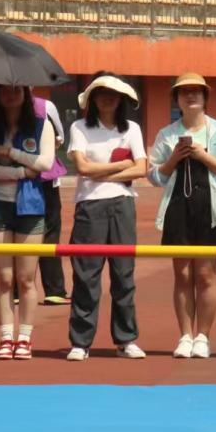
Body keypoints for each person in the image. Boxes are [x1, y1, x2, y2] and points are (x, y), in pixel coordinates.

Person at [148, 74, 216, 359]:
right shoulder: (167, 134)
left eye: (196, 92)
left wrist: (202, 155)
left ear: (205, 97)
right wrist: (174, 158)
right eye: (184, 92)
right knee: (183, 274)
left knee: (205, 275)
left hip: (212, 210)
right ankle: (185, 335)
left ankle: (203, 337)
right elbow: (154, 176)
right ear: (176, 99)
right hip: (178, 209)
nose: (190, 97)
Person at [65, 73, 148, 361]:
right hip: (90, 206)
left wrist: (102, 172)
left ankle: (126, 340)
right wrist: (123, 165)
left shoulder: (132, 129)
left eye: (113, 93)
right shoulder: (79, 127)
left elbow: (141, 169)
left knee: (124, 275)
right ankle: (80, 342)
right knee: (86, 276)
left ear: (122, 98)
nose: (107, 98)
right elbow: (82, 168)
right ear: (91, 98)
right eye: (100, 93)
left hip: (123, 204)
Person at [0, 84, 55, 359]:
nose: (10, 95)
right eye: (4, 91)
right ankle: (5, 337)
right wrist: (23, 171)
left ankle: (24, 338)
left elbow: (45, 164)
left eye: (16, 90)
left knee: (26, 278)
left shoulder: (41, 126)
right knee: (4, 277)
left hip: (30, 207)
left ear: (25, 94)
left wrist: (11, 154)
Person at [31, 95, 70, 306]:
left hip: (23, 177)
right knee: (49, 231)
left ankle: (17, 292)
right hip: (40, 177)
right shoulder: (45, 106)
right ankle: (54, 290)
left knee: (20, 231)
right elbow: (59, 137)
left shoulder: (0, 106)